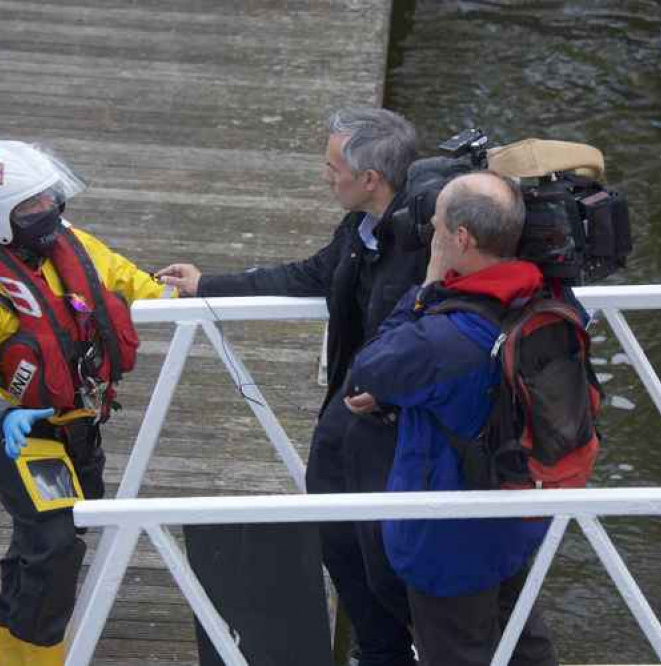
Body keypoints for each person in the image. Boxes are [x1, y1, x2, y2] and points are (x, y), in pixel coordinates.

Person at [157, 107, 426, 666]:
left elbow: (439, 334)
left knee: (388, 563)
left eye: (333, 167)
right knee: (341, 549)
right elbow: (311, 274)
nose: (325, 175)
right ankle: (380, 653)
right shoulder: (360, 228)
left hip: (397, 437)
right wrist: (209, 284)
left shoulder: (425, 248)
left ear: (370, 179)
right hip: (344, 427)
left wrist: (390, 388)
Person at [0, 140, 174, 665]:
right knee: (54, 542)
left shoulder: (72, 247)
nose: (51, 214)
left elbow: (130, 282)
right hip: (20, 435)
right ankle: (38, 657)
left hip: (78, 423)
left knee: (48, 538)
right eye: (34, 207)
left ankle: (10, 648)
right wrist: (2, 412)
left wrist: (188, 298)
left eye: (51, 200)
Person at [345, 171, 559, 666]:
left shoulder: (446, 336)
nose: (430, 236)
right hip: (517, 512)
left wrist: (426, 286)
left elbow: (370, 368)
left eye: (437, 226)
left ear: (461, 238)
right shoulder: (544, 297)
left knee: (456, 651)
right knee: (522, 641)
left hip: (449, 540)